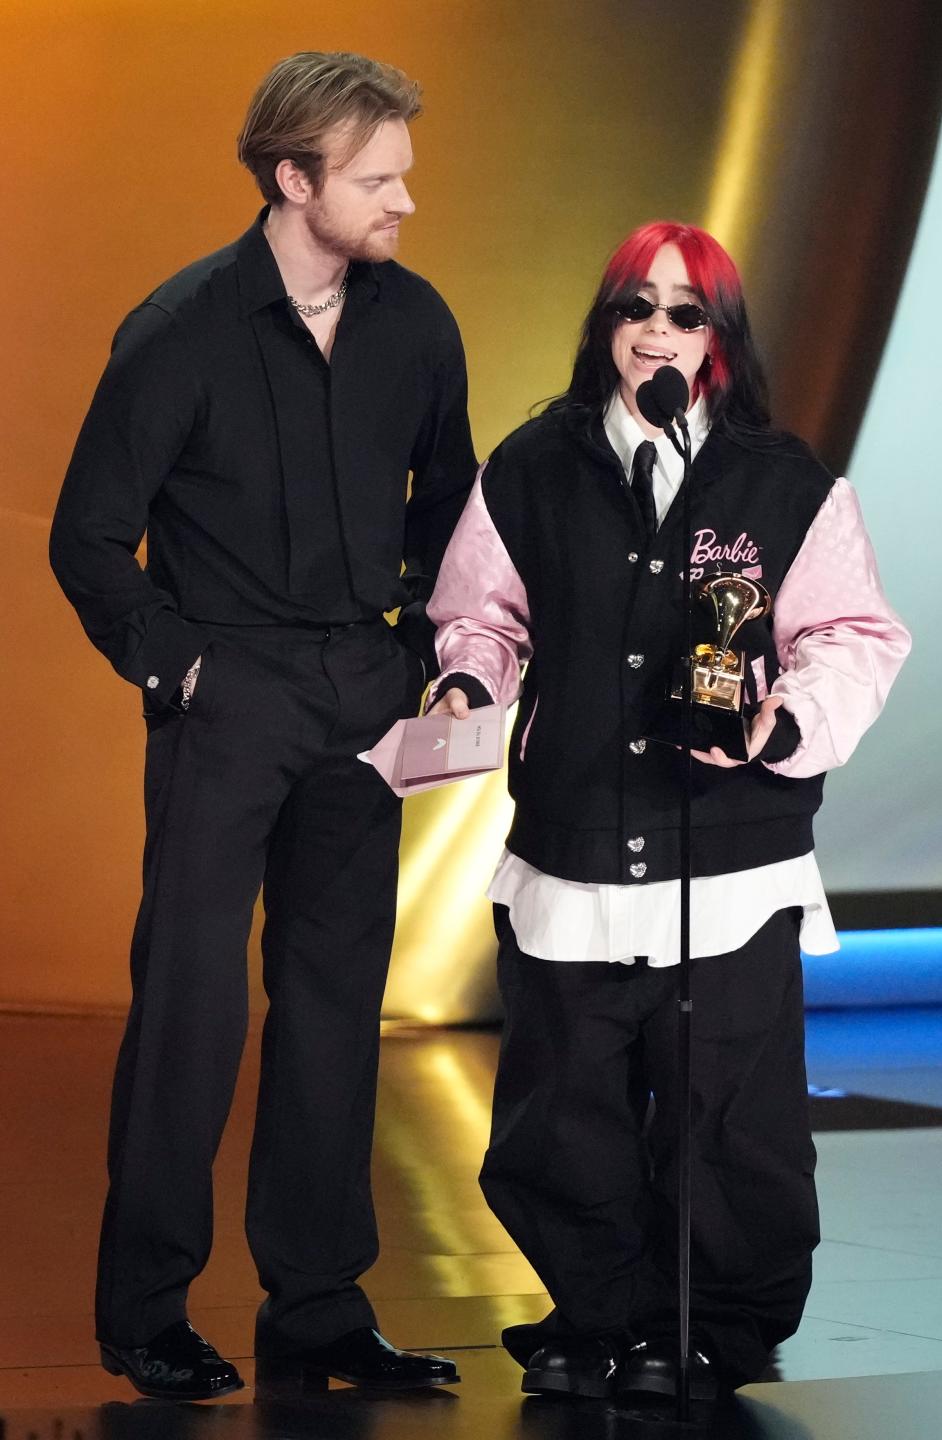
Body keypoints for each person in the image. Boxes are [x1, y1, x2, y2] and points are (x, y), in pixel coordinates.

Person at [49, 51, 475, 1401]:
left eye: (403, 171)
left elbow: (451, 509)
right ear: (295, 180)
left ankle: (319, 1307)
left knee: (338, 1009)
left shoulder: (417, 326)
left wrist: (423, 648)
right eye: (377, 177)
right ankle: (146, 1314)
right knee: (190, 1008)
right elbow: (87, 540)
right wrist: (184, 676)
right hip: (227, 703)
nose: (407, 199)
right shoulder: (178, 331)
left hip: (364, 699)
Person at [427, 221, 910, 1402]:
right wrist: (464, 677)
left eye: (685, 313)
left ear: (720, 343)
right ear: (606, 329)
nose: (656, 331)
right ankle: (600, 1313)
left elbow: (851, 636)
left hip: (730, 859)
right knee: (562, 1112)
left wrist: (780, 721)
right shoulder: (533, 469)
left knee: (729, 1120)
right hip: (575, 844)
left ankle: (711, 1329)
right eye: (636, 308)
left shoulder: (784, 483)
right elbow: (481, 615)